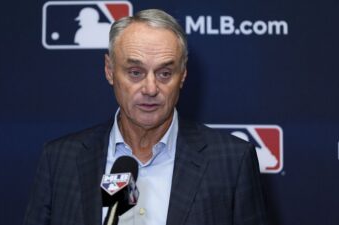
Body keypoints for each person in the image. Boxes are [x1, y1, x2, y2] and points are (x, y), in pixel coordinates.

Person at [24, 9, 268, 225]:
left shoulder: (231, 162)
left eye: (164, 73)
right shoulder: (59, 159)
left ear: (182, 75)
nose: (150, 89)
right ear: (109, 70)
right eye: (135, 72)